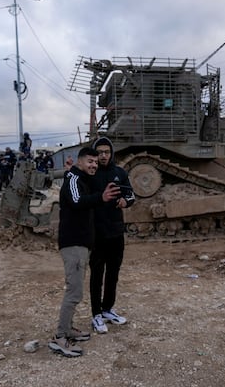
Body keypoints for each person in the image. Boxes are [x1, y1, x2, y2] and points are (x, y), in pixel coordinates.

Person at [48, 147, 120, 358]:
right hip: (74, 244)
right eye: (90, 161)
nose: (94, 165)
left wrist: (73, 171)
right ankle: (60, 336)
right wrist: (103, 197)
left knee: (75, 290)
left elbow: (82, 192)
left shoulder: (77, 177)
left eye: (96, 162)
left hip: (81, 244)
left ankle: (68, 329)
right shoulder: (73, 180)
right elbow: (78, 200)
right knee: (74, 292)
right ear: (80, 161)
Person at [89, 137, 135, 334]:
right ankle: (96, 314)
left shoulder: (120, 173)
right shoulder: (89, 174)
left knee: (113, 273)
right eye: (99, 152)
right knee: (97, 275)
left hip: (116, 232)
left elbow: (131, 195)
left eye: (106, 152)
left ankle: (108, 309)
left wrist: (125, 202)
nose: (103, 155)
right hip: (96, 233)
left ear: (112, 153)